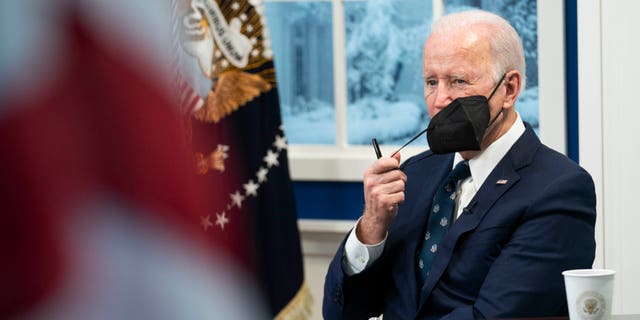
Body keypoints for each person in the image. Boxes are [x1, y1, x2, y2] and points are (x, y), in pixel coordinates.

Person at [323, 10, 596, 320]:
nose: (440, 100)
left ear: (509, 89)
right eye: (431, 81)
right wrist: (372, 226)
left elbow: (494, 316)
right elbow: (342, 312)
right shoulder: (413, 174)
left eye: (458, 81)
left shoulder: (559, 189)